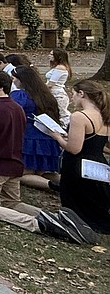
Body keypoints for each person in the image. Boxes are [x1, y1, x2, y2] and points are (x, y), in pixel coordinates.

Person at [0, 69, 93, 243]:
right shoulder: (17, 108)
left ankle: (37, 223)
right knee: (12, 202)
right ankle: (54, 218)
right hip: (13, 164)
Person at [46, 80, 110, 236]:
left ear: (82, 94)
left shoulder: (79, 117)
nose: (72, 98)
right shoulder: (104, 115)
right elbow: (99, 143)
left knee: (77, 200)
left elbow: (74, 149)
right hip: (98, 162)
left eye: (73, 94)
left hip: (77, 164)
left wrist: (56, 137)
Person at [11, 64, 64, 187]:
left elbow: (12, 112)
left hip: (29, 138)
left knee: (22, 174)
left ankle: (54, 187)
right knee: (44, 172)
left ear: (21, 79)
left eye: (14, 78)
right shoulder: (46, 95)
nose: (12, 81)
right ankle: (70, 184)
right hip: (47, 137)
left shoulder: (20, 95)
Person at [45, 48, 72, 124]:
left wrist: (39, 88)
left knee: (62, 115)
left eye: (51, 54)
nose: (49, 56)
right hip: (53, 94)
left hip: (58, 95)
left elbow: (51, 84)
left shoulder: (60, 68)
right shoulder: (57, 67)